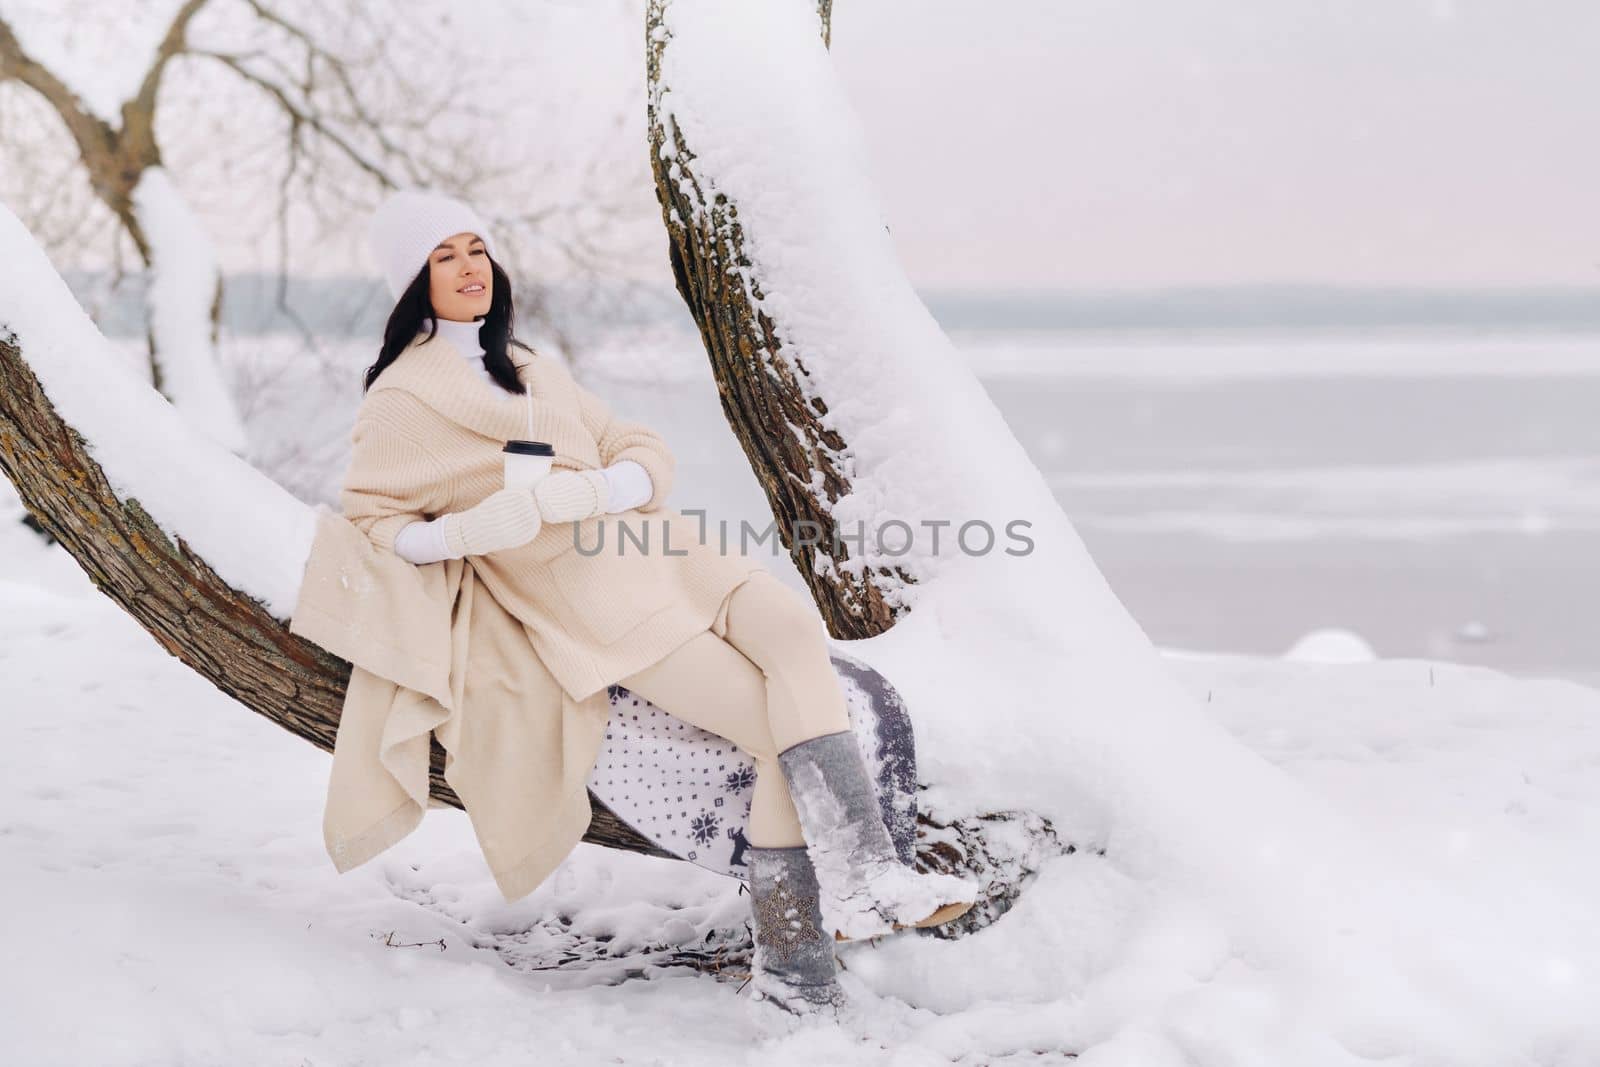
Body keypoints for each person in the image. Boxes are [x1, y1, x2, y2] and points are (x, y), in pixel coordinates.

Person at [352, 188, 977, 1016]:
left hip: (665, 553)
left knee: (792, 628)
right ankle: (794, 971)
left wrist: (603, 486)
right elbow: (372, 523)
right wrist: (470, 528)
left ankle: (865, 875)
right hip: (588, 603)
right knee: (768, 728)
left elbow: (643, 448)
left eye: (476, 248)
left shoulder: (530, 365)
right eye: (444, 256)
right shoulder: (402, 398)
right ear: (412, 282)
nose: (470, 268)